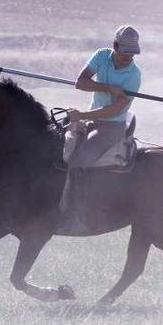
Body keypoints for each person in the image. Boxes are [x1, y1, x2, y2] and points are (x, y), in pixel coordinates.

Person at [61, 25, 142, 230]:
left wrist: (82, 116)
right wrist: (107, 87)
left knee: (79, 160)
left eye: (133, 54)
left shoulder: (134, 75)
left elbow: (114, 110)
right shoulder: (101, 56)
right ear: (115, 46)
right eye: (125, 53)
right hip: (91, 121)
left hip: (111, 127)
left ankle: (76, 215)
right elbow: (81, 82)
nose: (129, 58)